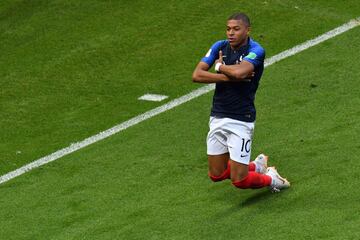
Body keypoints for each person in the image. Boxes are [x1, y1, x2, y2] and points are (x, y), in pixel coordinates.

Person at [192, 12, 290, 192]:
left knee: (239, 181)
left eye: (236, 29)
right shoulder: (219, 46)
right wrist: (227, 77)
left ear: (247, 30)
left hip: (241, 119)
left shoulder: (256, 50)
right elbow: (197, 75)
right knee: (216, 174)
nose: (231, 33)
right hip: (218, 115)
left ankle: (271, 179)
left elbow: (240, 73)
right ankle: (256, 167)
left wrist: (220, 67)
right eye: (228, 29)